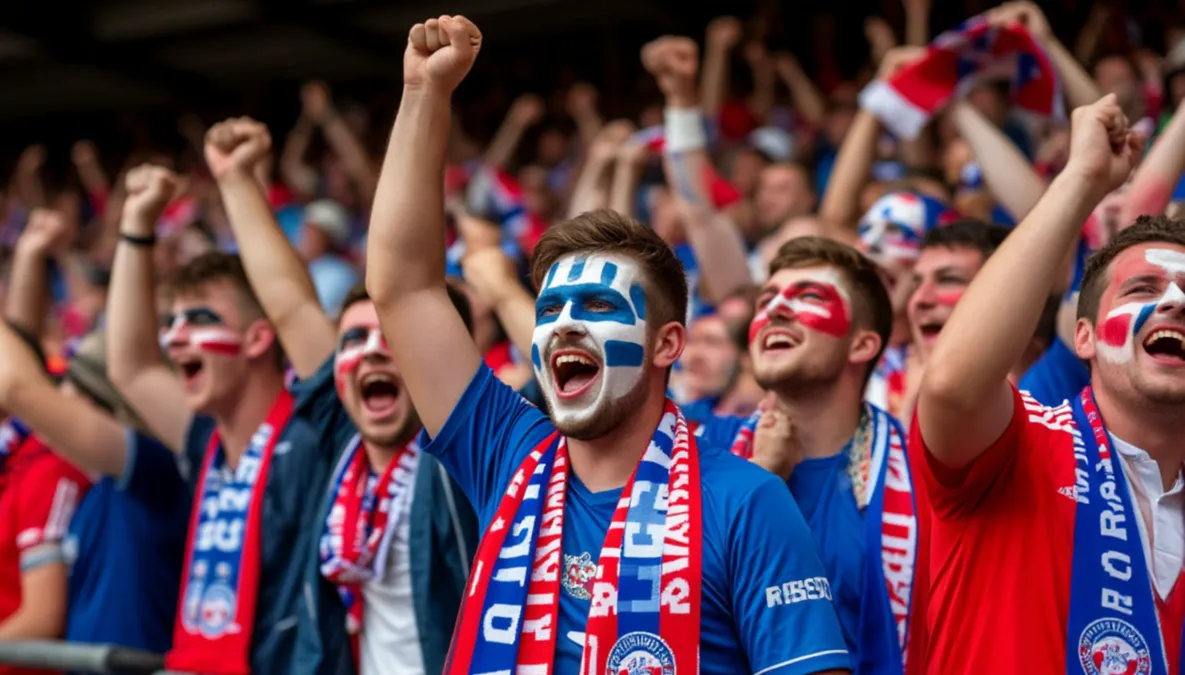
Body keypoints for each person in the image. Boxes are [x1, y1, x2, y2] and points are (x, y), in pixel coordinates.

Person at [364, 15, 850, 675]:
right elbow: (403, 287)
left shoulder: (745, 500)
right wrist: (424, 93)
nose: (564, 323)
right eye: (550, 309)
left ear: (666, 343)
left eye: (597, 305)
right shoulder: (506, 454)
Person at [913, 95, 1185, 673]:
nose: (1175, 304)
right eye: (1143, 289)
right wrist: (1080, 178)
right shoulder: (1018, 444)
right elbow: (951, 386)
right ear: (1083, 337)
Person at [203, 116, 479, 675]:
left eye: (393, 339)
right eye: (354, 340)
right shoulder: (340, 440)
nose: (373, 353)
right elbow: (291, 307)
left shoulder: (470, 454)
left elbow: (411, 281)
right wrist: (236, 181)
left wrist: (425, 98)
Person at [106, 165, 350, 675]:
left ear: (259, 338)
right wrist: (136, 224)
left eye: (199, 320)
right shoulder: (206, 440)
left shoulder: (317, 437)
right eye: (171, 322)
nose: (174, 338)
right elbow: (132, 368)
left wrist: (236, 178)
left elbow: (297, 313)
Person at [696, 236, 921, 675]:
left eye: (810, 297)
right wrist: (760, 478)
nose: (775, 310)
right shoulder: (701, 450)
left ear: (862, 345)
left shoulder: (914, 472)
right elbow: (672, 600)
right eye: (766, 300)